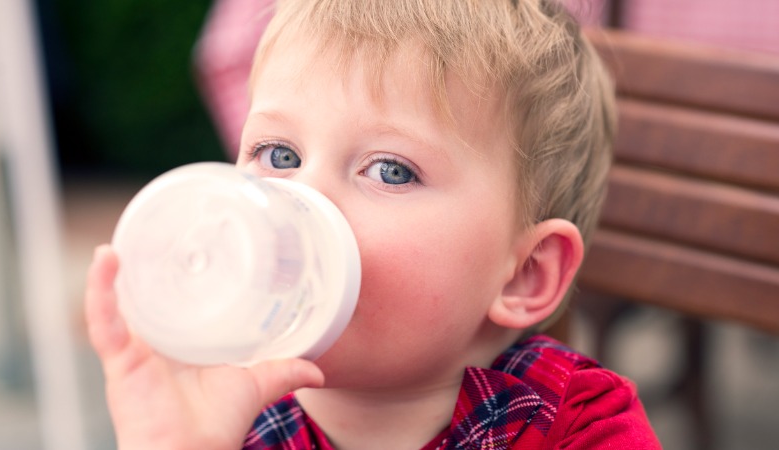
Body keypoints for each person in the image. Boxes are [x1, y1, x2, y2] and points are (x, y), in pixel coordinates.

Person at [85, 0, 661, 448]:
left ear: (523, 275)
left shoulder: (580, 429)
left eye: (389, 170)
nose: (302, 201)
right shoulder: (227, 416)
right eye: (279, 156)